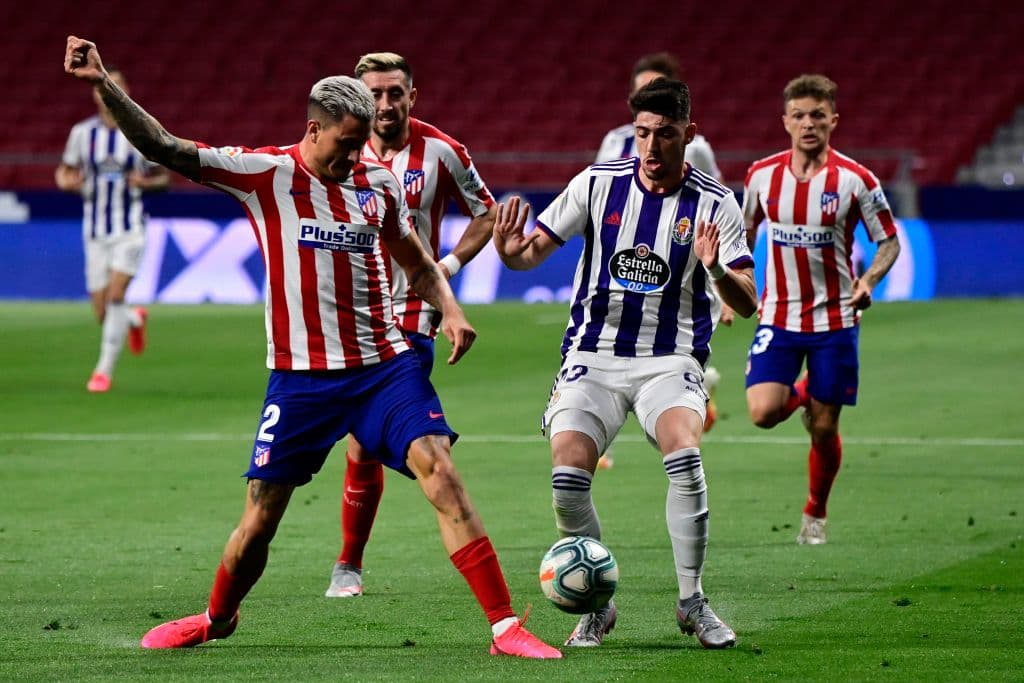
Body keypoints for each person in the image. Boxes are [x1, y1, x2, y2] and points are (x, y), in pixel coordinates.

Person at [63, 35, 560, 659]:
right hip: (301, 380)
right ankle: (218, 618)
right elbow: (166, 147)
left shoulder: (375, 182)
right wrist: (104, 83)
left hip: (384, 367)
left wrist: (452, 311)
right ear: (314, 129)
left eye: (361, 145)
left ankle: (504, 626)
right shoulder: (262, 174)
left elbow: (419, 263)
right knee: (261, 517)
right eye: (347, 143)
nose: (357, 155)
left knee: (443, 473)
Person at [493, 78, 757, 649]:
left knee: (684, 453)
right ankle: (597, 605)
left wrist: (714, 271)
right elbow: (529, 253)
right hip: (594, 353)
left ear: (689, 133)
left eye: (665, 134)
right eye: (642, 133)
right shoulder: (596, 184)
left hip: (670, 357)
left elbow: (749, 300)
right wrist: (509, 252)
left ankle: (692, 602)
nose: (652, 147)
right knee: (567, 475)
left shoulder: (716, 203)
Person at [326, 52, 497, 600]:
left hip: (413, 312)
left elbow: (487, 211)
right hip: (355, 313)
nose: (384, 104)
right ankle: (424, 448)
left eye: (394, 92)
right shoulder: (338, 151)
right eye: (373, 93)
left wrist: (446, 274)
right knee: (363, 440)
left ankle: (349, 564)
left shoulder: (442, 151)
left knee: (362, 440)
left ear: (411, 96)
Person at [742, 74, 901, 545]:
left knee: (825, 425)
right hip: (779, 314)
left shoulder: (856, 180)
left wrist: (870, 279)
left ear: (834, 119)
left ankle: (815, 511)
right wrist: (733, 291)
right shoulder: (761, 176)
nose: (808, 124)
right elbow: (742, 234)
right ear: (785, 121)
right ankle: (810, 386)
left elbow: (888, 241)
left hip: (835, 319)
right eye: (799, 116)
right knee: (763, 412)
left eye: (817, 115)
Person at [594, 53, 726, 469]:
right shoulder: (616, 141)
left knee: (677, 344)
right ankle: (599, 440)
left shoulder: (696, 149)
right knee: (600, 345)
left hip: (680, 266)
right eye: (640, 91)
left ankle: (694, 395)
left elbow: (716, 207)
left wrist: (720, 280)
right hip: (622, 267)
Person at [55, 66, 169, 393]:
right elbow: (64, 172)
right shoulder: (81, 134)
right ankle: (134, 319)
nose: (104, 92)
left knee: (116, 294)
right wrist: (67, 183)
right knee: (104, 312)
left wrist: (145, 183)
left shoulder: (139, 134)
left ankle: (102, 372)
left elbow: (164, 179)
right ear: (94, 93)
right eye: (100, 86)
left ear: (124, 91)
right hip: (94, 231)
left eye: (113, 85)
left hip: (129, 228)